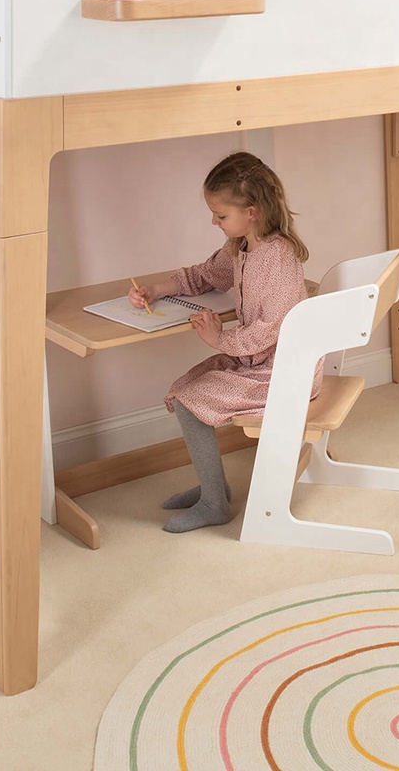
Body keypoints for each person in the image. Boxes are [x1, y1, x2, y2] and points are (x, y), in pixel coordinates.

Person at [129, 152, 321, 533]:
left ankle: (215, 503)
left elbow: (272, 329)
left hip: (282, 373)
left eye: (220, 215)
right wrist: (157, 290)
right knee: (185, 389)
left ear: (251, 211)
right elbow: (206, 275)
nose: (214, 221)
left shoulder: (278, 259)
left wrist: (221, 338)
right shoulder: (242, 246)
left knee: (190, 402)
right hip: (257, 362)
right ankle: (212, 487)